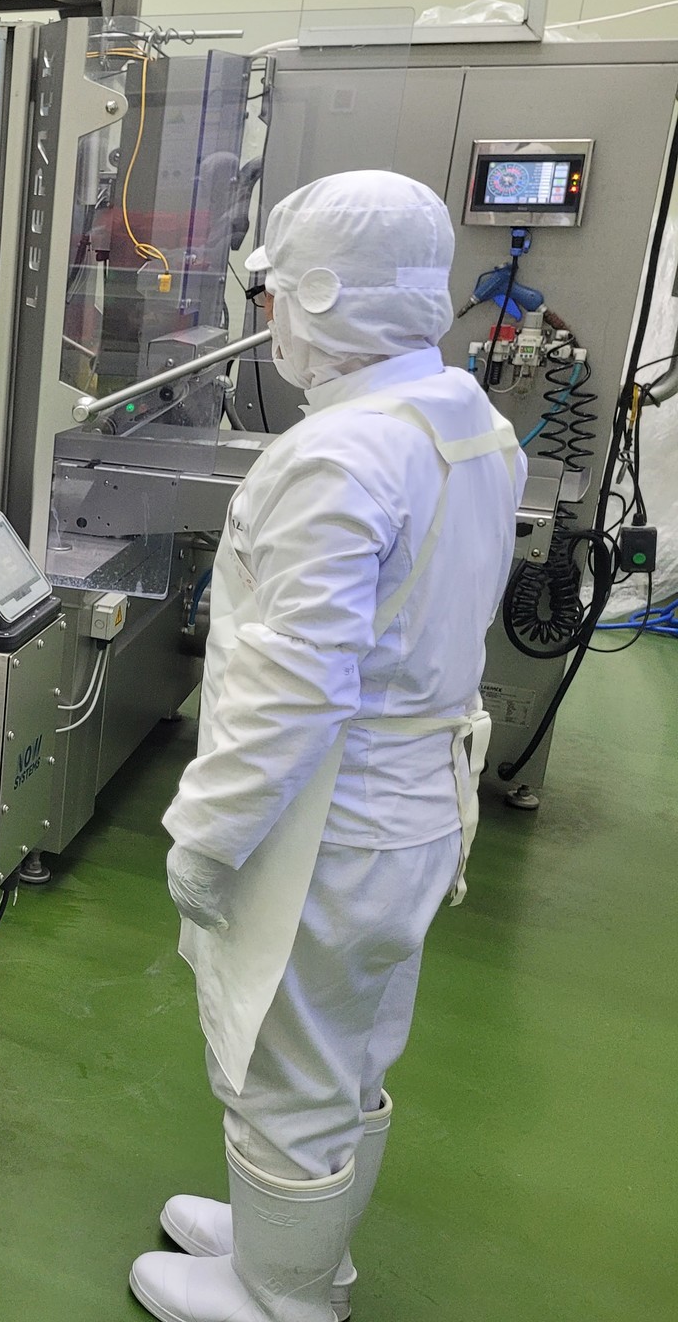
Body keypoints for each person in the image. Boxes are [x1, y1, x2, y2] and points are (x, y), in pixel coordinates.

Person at [128, 171, 527, 1322]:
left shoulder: (337, 457)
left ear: (319, 294)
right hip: (414, 803)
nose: (269, 322)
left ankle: (283, 1294)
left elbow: (292, 691)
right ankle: (293, 1246)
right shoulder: (464, 418)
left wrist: (206, 839)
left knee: (282, 1060)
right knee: (349, 1047)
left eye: (274, 295)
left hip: (327, 822)